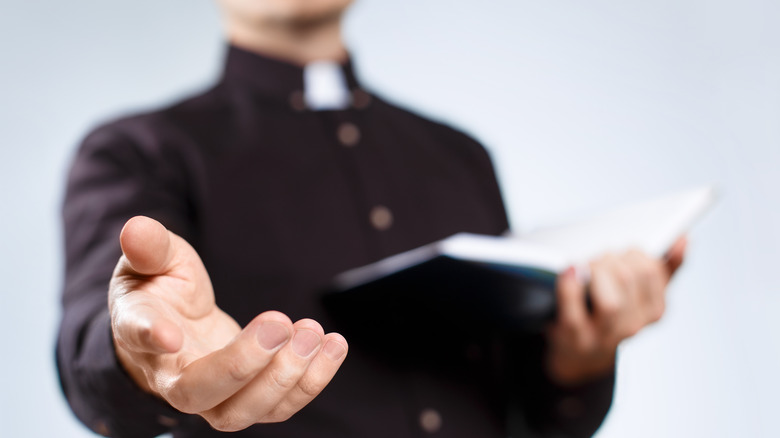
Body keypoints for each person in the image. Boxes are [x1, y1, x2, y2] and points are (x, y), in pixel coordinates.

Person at [57, 0, 686, 437]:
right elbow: (96, 343)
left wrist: (582, 358)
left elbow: (537, 414)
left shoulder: (460, 157)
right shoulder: (139, 150)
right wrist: (142, 353)